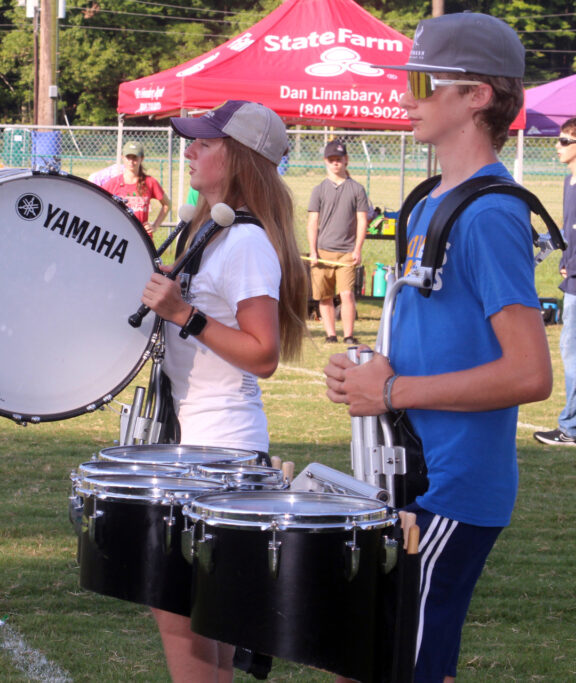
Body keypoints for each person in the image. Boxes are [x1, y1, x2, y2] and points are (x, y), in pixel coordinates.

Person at [324, 14, 552, 683]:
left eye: (422, 82)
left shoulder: (490, 214)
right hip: (410, 477)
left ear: (477, 95)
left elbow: (530, 372)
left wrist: (391, 392)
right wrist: (371, 366)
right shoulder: (429, 204)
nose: (405, 96)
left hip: (452, 488)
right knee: (376, 658)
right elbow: (437, 336)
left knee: (396, 664)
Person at [139, 100, 308, 681]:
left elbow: (263, 354)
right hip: (198, 435)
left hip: (222, 441)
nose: (189, 150)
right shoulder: (210, 228)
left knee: (182, 608)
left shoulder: (246, 243)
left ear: (238, 159)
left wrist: (184, 313)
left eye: (204, 143)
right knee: (189, 610)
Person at [534, 117, 576, 446]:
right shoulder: (568, 182)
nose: (557, 146)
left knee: (571, 351)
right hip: (571, 276)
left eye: (564, 141)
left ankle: (570, 428)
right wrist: (560, 255)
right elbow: (568, 231)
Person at [307, 139, 369, 344]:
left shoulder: (357, 189)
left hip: (346, 253)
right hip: (323, 252)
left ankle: (349, 336)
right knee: (324, 296)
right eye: (331, 159)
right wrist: (313, 251)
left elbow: (362, 220)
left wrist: (357, 249)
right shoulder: (318, 190)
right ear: (325, 161)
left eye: (339, 159)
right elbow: (312, 221)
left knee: (347, 294)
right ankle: (330, 335)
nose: (335, 163)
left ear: (346, 160)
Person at [103, 141, 171, 236]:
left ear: (142, 158)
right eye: (128, 157)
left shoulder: (149, 182)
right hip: (119, 236)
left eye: (135, 158)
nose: (131, 161)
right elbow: (100, 204)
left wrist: (155, 226)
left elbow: (167, 204)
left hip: (141, 237)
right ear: (122, 157)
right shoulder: (113, 183)